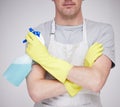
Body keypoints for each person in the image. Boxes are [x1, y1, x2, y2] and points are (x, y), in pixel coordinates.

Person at [25, 0, 115, 107]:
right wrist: (82, 79)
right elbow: (36, 91)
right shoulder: (38, 34)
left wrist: (46, 60)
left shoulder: (102, 31)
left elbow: (96, 82)